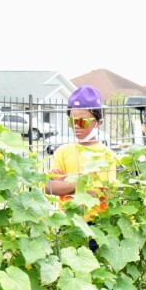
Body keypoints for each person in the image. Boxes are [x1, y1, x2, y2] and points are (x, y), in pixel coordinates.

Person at [46, 85, 117, 215]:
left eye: (83, 121)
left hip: (96, 223)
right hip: (67, 222)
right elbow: (49, 187)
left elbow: (100, 193)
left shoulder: (106, 155)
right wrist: (82, 183)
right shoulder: (62, 151)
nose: (77, 126)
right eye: (72, 121)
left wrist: (67, 183)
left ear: (99, 122)